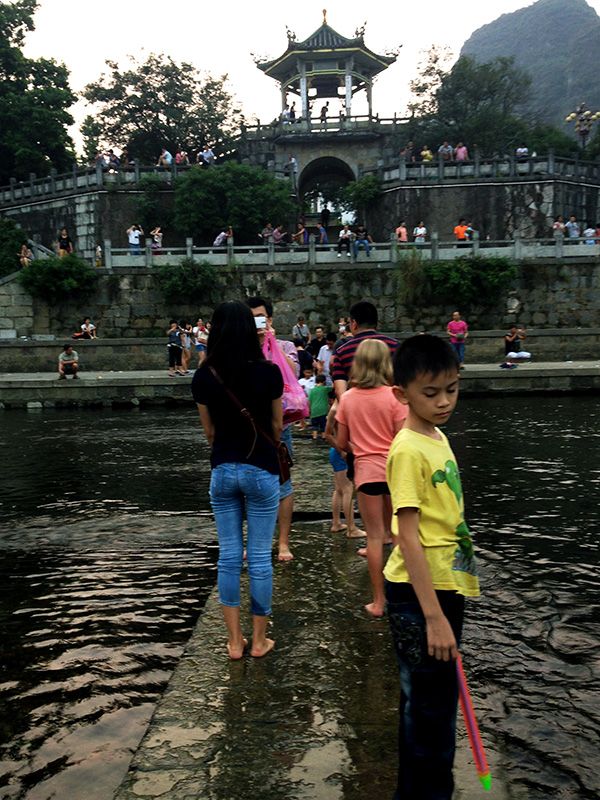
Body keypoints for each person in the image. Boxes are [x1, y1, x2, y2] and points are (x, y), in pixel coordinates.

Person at [385, 334, 480, 800]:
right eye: (431, 392)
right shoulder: (408, 449)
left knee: (430, 703)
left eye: (452, 389)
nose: (444, 402)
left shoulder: (436, 436)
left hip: (445, 583)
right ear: (401, 393)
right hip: (421, 595)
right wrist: (434, 616)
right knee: (430, 711)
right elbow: (408, 536)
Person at [191, 301, 283, 659]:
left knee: (229, 556)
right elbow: (276, 426)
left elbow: (210, 433)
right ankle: (259, 641)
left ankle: (233, 642)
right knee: (259, 557)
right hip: (261, 467)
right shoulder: (269, 372)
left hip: (223, 470)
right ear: (250, 329)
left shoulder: (204, 376)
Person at [335, 340, 408, 615]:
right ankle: (403, 595)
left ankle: (379, 602)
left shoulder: (348, 398)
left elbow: (341, 442)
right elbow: (403, 438)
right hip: (395, 471)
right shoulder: (395, 396)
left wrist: (360, 448)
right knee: (400, 533)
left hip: (366, 472)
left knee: (375, 538)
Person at [246, 296, 299, 562]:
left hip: (281, 425)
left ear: (270, 319)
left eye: (261, 318)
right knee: (249, 486)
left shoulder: (284, 346)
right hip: (248, 428)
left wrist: (271, 343)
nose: (257, 323)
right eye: (251, 319)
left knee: (283, 485)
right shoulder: (240, 349)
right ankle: (255, 541)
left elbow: (293, 373)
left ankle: (283, 543)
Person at [332, 300, 399, 398]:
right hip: (392, 404)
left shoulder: (342, 351)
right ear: (376, 323)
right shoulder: (395, 346)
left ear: (354, 323)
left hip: (356, 405)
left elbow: (340, 391)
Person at [324, 398, 364, 538]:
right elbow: (327, 435)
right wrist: (342, 452)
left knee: (339, 489)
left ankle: (336, 523)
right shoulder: (336, 409)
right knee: (348, 490)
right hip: (341, 452)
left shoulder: (337, 407)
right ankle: (351, 529)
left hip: (338, 452)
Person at [308, 374, 330, 440]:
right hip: (323, 411)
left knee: (314, 426)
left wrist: (310, 411)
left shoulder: (312, 390)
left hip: (314, 411)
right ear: (324, 381)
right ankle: (323, 438)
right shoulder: (325, 389)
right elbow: (334, 387)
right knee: (323, 426)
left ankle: (314, 438)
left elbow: (309, 401)